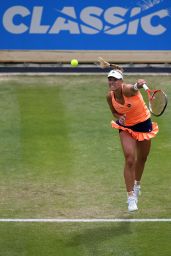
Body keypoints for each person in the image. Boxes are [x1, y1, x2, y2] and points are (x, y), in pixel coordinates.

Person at [106, 68, 159, 212]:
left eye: (115, 80)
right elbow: (114, 111)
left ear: (121, 81)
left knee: (142, 158)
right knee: (130, 158)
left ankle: (137, 185)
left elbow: (134, 87)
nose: (112, 82)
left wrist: (139, 84)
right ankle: (130, 198)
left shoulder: (128, 90)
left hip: (143, 124)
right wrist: (119, 117)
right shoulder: (109, 96)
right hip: (126, 126)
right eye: (110, 79)